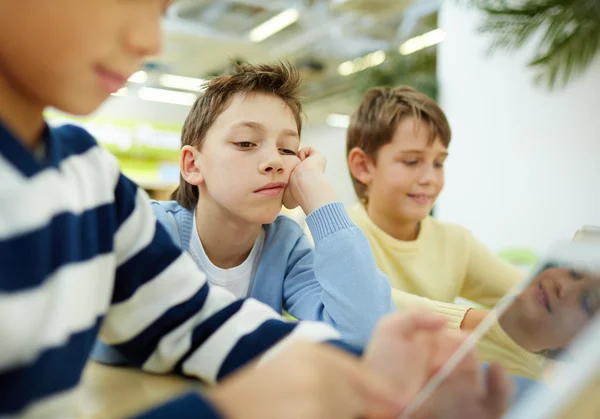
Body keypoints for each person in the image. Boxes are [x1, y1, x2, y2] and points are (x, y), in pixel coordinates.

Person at [0, 1, 510, 418]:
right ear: (192, 166)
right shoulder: (151, 224)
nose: (151, 42)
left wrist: (375, 378)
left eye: (289, 150)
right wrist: (228, 407)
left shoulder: (95, 185)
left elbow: (197, 325)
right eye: (246, 144)